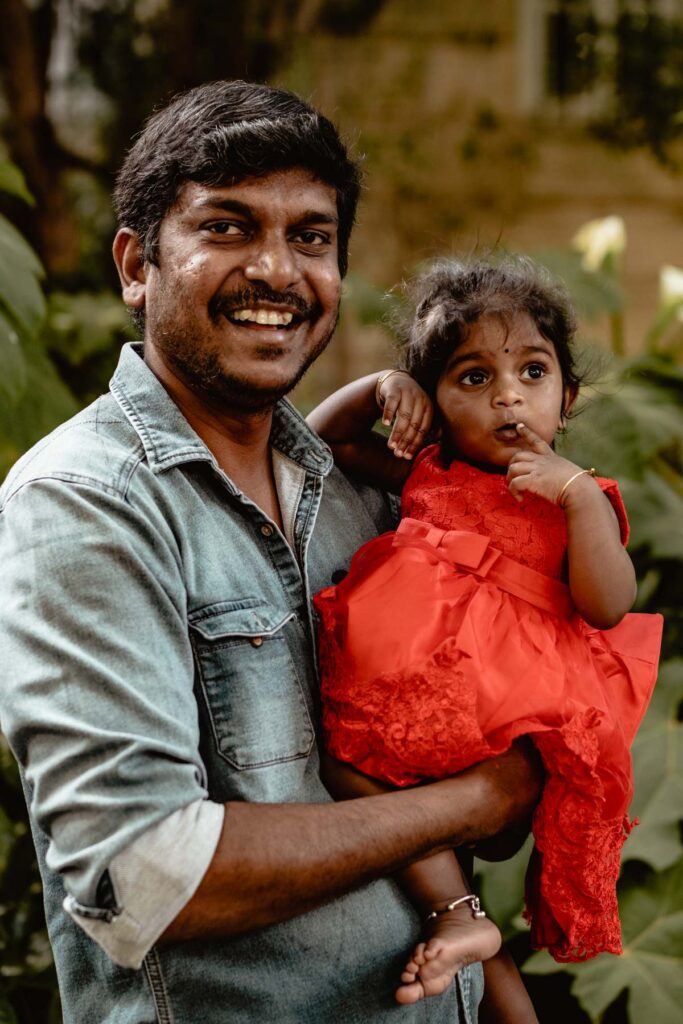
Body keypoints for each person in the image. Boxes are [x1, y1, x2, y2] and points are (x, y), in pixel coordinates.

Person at [0, 82, 542, 1023]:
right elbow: (147, 878)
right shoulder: (85, 501)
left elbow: (483, 795)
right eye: (227, 227)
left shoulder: (361, 493)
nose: (276, 270)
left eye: (311, 237)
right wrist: (471, 801)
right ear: (135, 265)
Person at [309, 256, 662, 1010]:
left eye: (532, 372)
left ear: (566, 399)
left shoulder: (578, 497)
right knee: (347, 770)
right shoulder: (429, 469)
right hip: (414, 696)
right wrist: (380, 388)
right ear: (434, 405)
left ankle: (464, 919)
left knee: (386, 787)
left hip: (508, 704)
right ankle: (459, 915)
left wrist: (576, 498)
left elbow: (608, 605)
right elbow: (321, 441)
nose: (508, 394)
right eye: (473, 378)